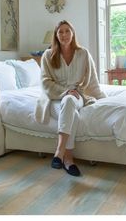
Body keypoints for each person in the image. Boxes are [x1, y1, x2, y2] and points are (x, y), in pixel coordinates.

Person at [35, 20, 106, 176]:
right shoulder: (48, 55)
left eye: (67, 31)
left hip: (76, 95)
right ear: (56, 35)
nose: (64, 34)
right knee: (71, 112)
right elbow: (45, 82)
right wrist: (65, 91)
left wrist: (102, 98)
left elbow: (92, 79)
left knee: (69, 101)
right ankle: (68, 159)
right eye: (60, 32)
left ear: (73, 34)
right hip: (54, 97)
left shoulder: (83, 53)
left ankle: (59, 152)